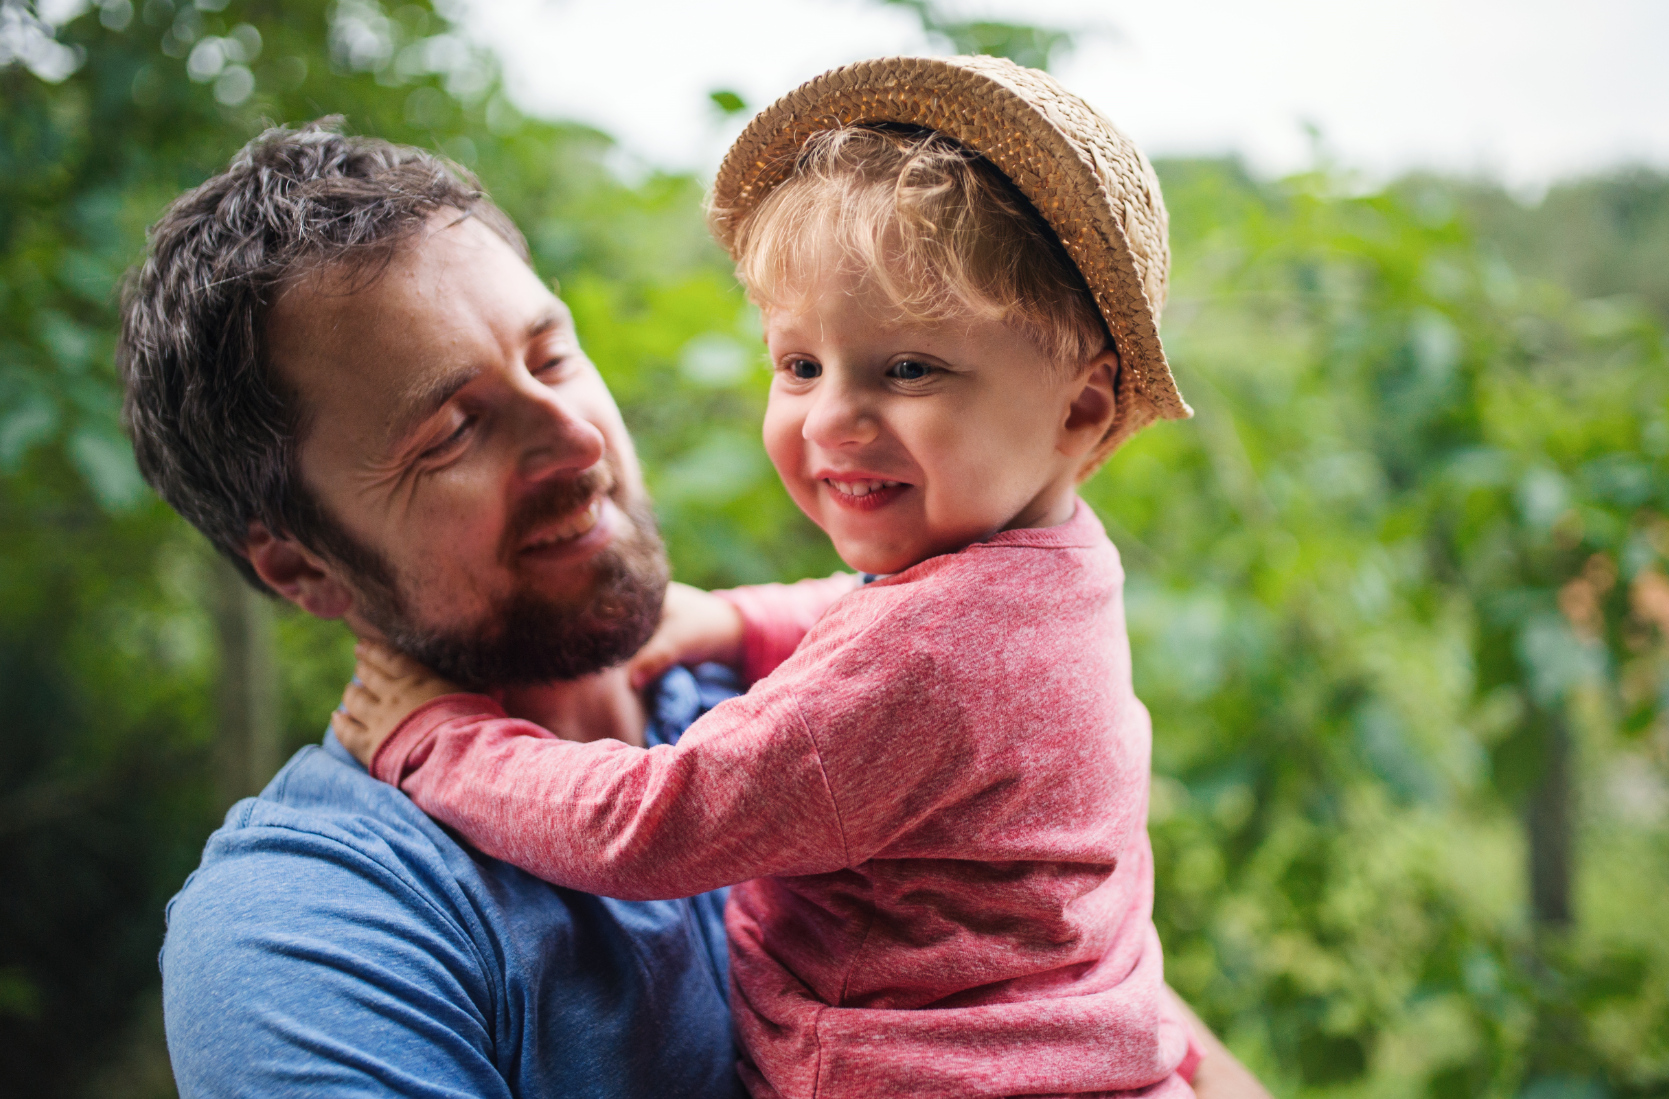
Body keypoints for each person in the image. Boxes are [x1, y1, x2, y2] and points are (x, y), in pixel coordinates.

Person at [121, 115, 1268, 1096]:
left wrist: (709, 633)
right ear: (300, 569)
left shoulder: (813, 696)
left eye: (553, 356)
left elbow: (1110, 1007)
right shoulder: (316, 926)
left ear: (1079, 412)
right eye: (452, 429)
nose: (574, 440)